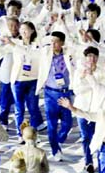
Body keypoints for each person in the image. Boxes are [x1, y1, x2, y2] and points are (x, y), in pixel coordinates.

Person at [34, 31, 75, 161]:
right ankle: (55, 149)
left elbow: (77, 45)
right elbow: (38, 40)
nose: (53, 44)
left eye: (56, 41)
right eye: (51, 41)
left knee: (67, 124)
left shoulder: (69, 54)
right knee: (51, 124)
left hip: (65, 93)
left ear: (62, 43)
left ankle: (58, 140)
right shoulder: (46, 53)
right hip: (50, 93)